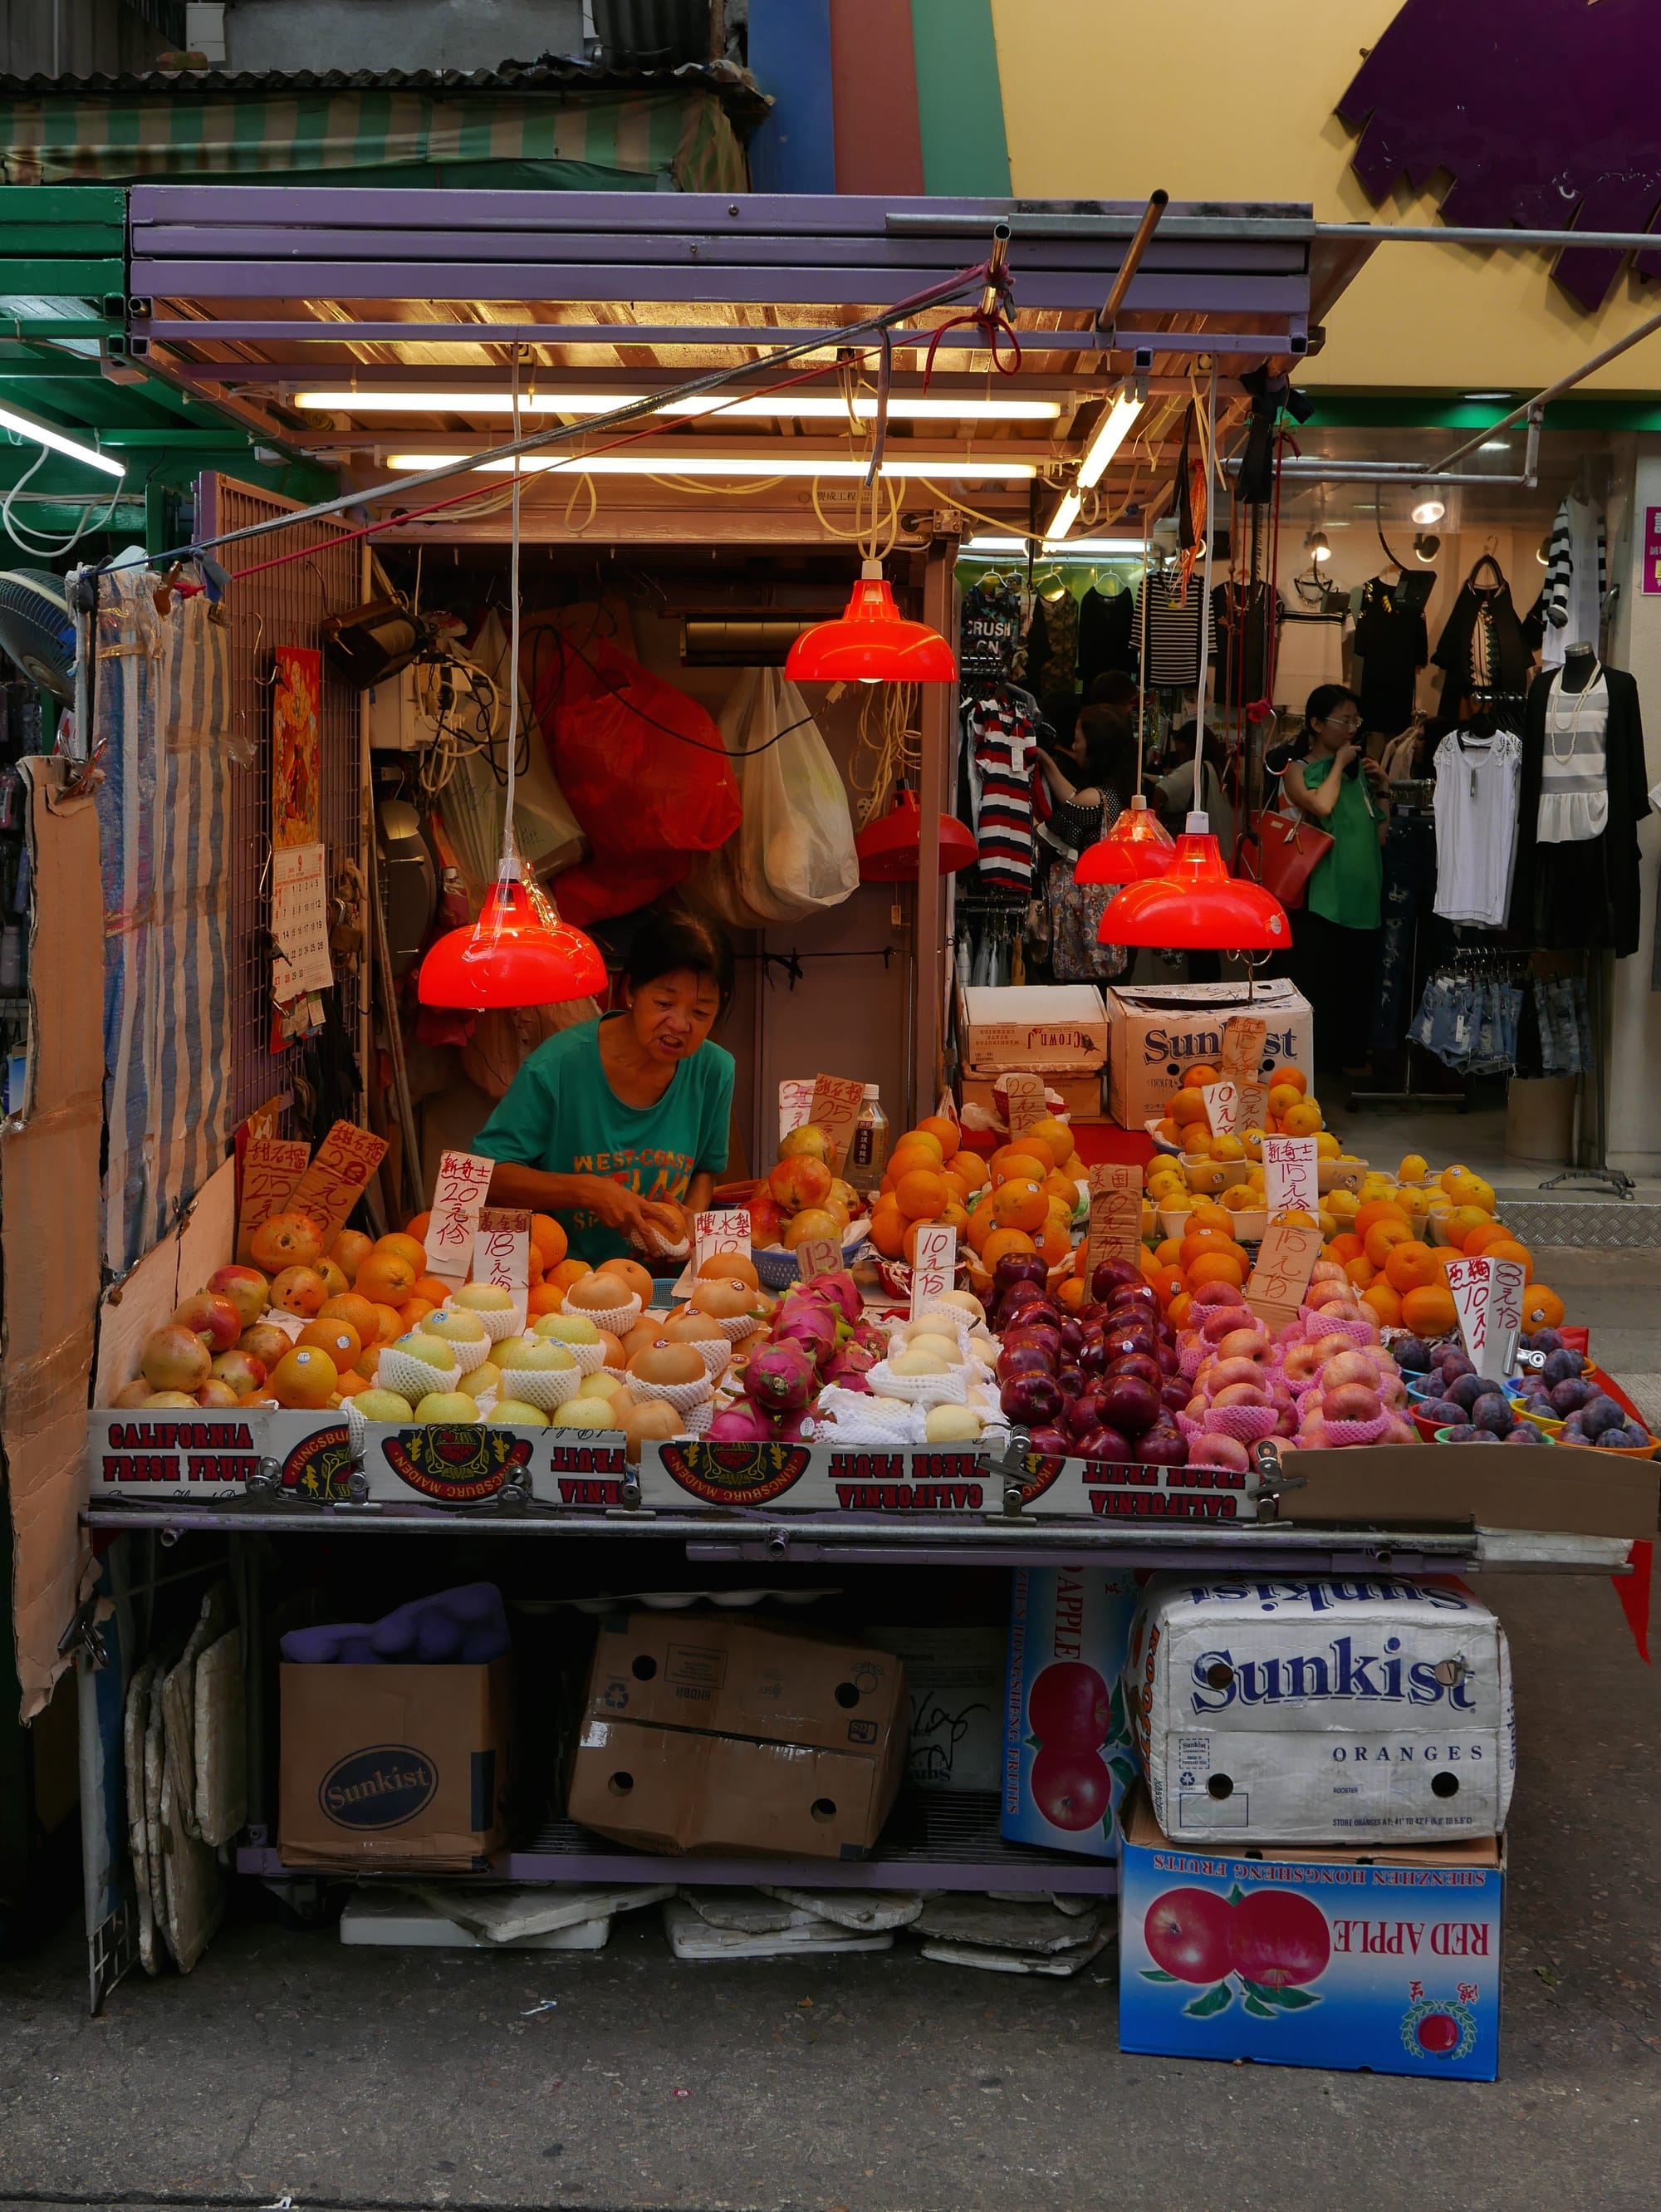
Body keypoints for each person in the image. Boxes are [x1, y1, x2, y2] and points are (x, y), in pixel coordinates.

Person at [473, 908, 736, 1266]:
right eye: (664, 1003)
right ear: (630, 991)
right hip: (566, 1279)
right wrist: (588, 1191)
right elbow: (488, 1175)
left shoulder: (715, 1071)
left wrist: (683, 1226)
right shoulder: (558, 1067)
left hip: (663, 1282)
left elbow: (706, 1168)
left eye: (701, 1013)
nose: (679, 1024)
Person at [1280, 682, 1391, 1076]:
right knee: (1319, 984)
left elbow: (1379, 836)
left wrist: (1383, 790)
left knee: (1355, 984)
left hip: (1362, 894)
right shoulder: (1299, 769)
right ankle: (1313, 1070)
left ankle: (1348, 1061)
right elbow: (1321, 805)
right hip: (1321, 896)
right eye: (1343, 720)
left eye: (1355, 721)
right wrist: (1341, 764)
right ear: (1315, 723)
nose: (1351, 728)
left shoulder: (1358, 773)